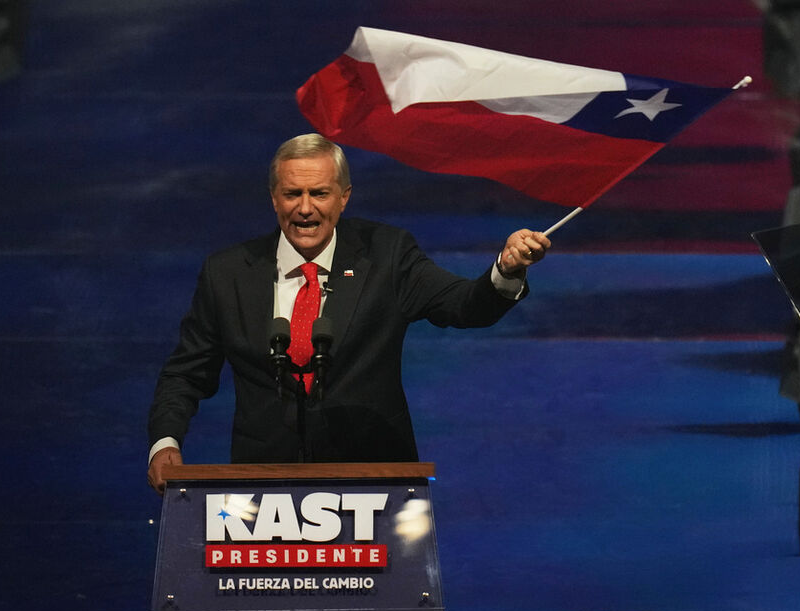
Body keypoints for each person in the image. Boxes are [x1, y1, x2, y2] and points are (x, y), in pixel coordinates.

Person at [147, 133, 550, 493]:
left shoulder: (387, 255)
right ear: (273, 198)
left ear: (344, 197)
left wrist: (505, 269)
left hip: (375, 484)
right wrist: (165, 442)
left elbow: (465, 305)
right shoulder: (228, 273)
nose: (305, 208)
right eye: (293, 194)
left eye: (319, 193)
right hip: (263, 488)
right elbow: (186, 372)